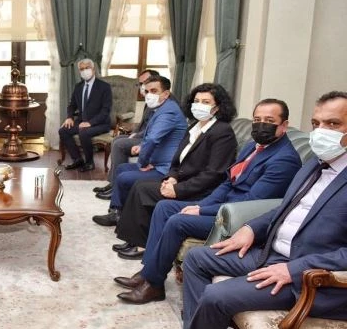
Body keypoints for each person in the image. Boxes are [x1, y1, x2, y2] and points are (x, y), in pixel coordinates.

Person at [142, 91, 347, 329]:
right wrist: (251, 228)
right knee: (197, 258)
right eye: (316, 123)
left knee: (216, 295)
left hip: (307, 277)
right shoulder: (315, 164)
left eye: (333, 124)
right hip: (271, 253)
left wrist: (293, 269)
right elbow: (282, 209)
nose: (321, 131)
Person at [115, 99, 302, 304]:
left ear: (284, 125)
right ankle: (148, 272)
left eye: (269, 121)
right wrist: (201, 206)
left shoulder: (284, 159)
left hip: (239, 220)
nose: (261, 125)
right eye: (257, 119)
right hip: (223, 207)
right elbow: (227, 182)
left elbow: (250, 203)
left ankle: (153, 284)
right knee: (164, 207)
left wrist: (203, 211)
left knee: (177, 221)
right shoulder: (253, 147)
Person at [93, 83, 238, 229]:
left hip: (193, 186)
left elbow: (213, 174)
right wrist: (172, 177)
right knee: (125, 172)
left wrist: (175, 187)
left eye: (205, 102)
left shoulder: (221, 131)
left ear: (217, 107)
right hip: (178, 176)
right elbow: (177, 158)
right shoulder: (194, 126)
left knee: (137, 185)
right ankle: (119, 215)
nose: (199, 105)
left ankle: (126, 224)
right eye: (196, 101)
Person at [90, 76, 187, 225]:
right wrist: (142, 146)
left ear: (166, 94)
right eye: (147, 91)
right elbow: (156, 136)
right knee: (122, 169)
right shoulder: (162, 108)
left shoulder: (169, 112)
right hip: (158, 163)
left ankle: (118, 215)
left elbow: (153, 139)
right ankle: (118, 211)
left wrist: (143, 163)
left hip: (166, 169)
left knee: (124, 178)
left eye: (154, 91)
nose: (149, 95)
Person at [94, 69, 160, 197]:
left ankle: (116, 187)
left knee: (120, 145)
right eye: (140, 83)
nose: (142, 86)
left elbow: (154, 130)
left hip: (149, 139)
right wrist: (134, 133)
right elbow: (143, 123)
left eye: (145, 82)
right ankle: (113, 182)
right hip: (143, 135)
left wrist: (137, 135)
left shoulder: (160, 101)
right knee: (116, 140)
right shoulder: (150, 99)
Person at [58, 59, 112, 171]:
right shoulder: (78, 87)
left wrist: (90, 123)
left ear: (93, 69)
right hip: (82, 121)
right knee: (63, 130)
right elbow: (72, 105)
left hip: (100, 123)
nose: (84, 71)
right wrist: (69, 117)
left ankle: (89, 163)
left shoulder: (104, 87)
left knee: (84, 132)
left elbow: (105, 111)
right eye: (81, 69)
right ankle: (77, 159)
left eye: (87, 68)